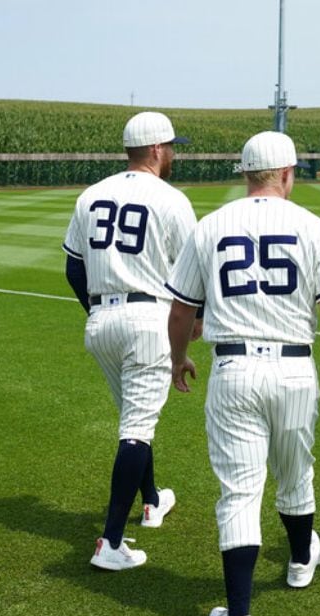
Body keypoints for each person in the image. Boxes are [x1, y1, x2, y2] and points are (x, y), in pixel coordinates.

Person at [166, 131, 320, 616]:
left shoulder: (211, 226)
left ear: (247, 174)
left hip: (233, 369)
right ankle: (300, 561)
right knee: (296, 473)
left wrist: (179, 356)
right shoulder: (312, 226)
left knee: (240, 491)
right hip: (294, 368)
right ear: (287, 174)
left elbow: (182, 309)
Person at [63, 111, 199, 571]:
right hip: (149, 319)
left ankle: (153, 501)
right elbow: (191, 278)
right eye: (172, 146)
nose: (173, 153)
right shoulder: (172, 199)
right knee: (137, 427)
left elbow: (73, 267)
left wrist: (100, 311)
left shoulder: (91, 194)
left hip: (101, 321)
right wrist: (193, 326)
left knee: (134, 418)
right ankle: (111, 542)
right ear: (158, 150)